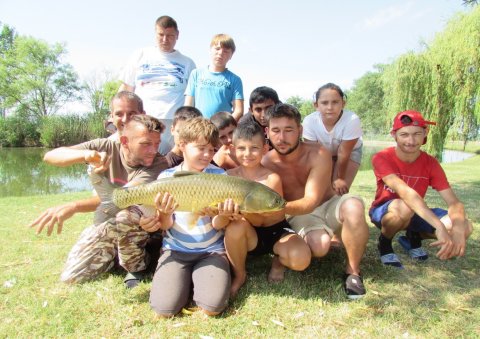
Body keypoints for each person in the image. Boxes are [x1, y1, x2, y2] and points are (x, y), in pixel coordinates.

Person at [30, 115, 169, 288]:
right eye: (146, 144)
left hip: (142, 223)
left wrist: (75, 205)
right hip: (107, 220)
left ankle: (141, 263)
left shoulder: (159, 164)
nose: (153, 150)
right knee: (72, 276)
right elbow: (51, 155)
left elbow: (120, 199)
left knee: (126, 215)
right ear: (125, 141)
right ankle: (116, 257)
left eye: (156, 144)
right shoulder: (106, 146)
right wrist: (86, 155)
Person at [262, 103, 369, 300]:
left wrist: (271, 207)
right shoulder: (266, 162)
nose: (282, 138)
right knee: (320, 247)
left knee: (354, 206)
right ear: (267, 132)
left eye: (289, 130)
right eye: (276, 130)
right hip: (300, 214)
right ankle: (291, 251)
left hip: (328, 204)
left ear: (300, 130)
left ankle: (353, 273)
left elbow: (311, 200)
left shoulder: (318, 152)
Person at [140, 117, 238, 317]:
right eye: (201, 148)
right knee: (164, 310)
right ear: (182, 145)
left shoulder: (220, 177)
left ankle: (201, 280)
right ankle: (182, 280)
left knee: (213, 307)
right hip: (175, 249)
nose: (207, 154)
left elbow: (218, 225)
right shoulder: (166, 178)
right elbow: (165, 225)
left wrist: (224, 215)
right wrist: (164, 212)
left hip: (211, 250)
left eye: (211, 150)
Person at [369, 110, 473, 269]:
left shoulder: (431, 163)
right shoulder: (381, 157)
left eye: (417, 134)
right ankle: (385, 242)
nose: (411, 140)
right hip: (385, 211)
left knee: (466, 226)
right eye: (404, 134)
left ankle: (413, 236)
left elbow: (454, 202)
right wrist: (439, 226)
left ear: (426, 133)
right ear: (394, 135)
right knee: (404, 207)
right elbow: (406, 194)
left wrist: (458, 230)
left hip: (416, 212)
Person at [224, 122, 311, 296]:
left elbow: (268, 217)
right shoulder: (228, 177)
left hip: (275, 231)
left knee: (301, 260)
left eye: (254, 148)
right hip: (247, 232)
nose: (247, 154)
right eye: (241, 148)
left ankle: (278, 262)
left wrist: (243, 210)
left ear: (265, 148)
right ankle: (240, 274)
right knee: (235, 226)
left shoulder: (272, 179)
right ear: (233, 149)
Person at [119, 15, 196, 155]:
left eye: (170, 35)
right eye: (161, 35)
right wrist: (113, 116)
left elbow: (190, 100)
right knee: (138, 159)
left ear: (177, 35)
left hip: (171, 123)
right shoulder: (140, 55)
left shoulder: (188, 63)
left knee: (166, 163)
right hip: (142, 120)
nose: (165, 40)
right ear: (155, 33)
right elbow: (126, 89)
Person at [303, 83, 363, 196]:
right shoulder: (309, 121)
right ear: (316, 105)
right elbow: (313, 153)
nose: (330, 107)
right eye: (324, 103)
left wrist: (339, 178)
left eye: (335, 102)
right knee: (322, 188)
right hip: (322, 153)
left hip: (350, 153)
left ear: (343, 103)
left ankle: (339, 209)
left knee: (338, 190)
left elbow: (343, 153)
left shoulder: (352, 120)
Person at [184, 34, 244, 120]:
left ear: (231, 55)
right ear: (210, 49)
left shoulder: (235, 79)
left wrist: (224, 126)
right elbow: (188, 106)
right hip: (198, 128)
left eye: (226, 51)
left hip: (222, 130)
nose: (220, 53)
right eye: (217, 49)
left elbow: (238, 111)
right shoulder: (196, 74)